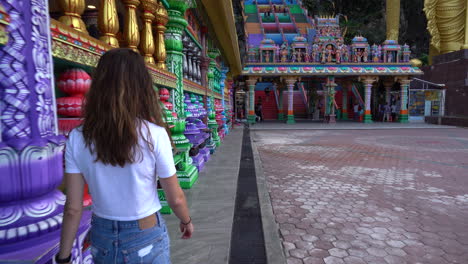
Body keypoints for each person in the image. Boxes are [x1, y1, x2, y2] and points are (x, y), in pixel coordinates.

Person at [56, 49, 193, 264]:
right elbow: (175, 198)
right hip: (146, 233)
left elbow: (73, 208)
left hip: (102, 235)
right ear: (142, 87)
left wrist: (63, 257)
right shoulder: (154, 134)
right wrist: (186, 220)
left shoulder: (77, 137)